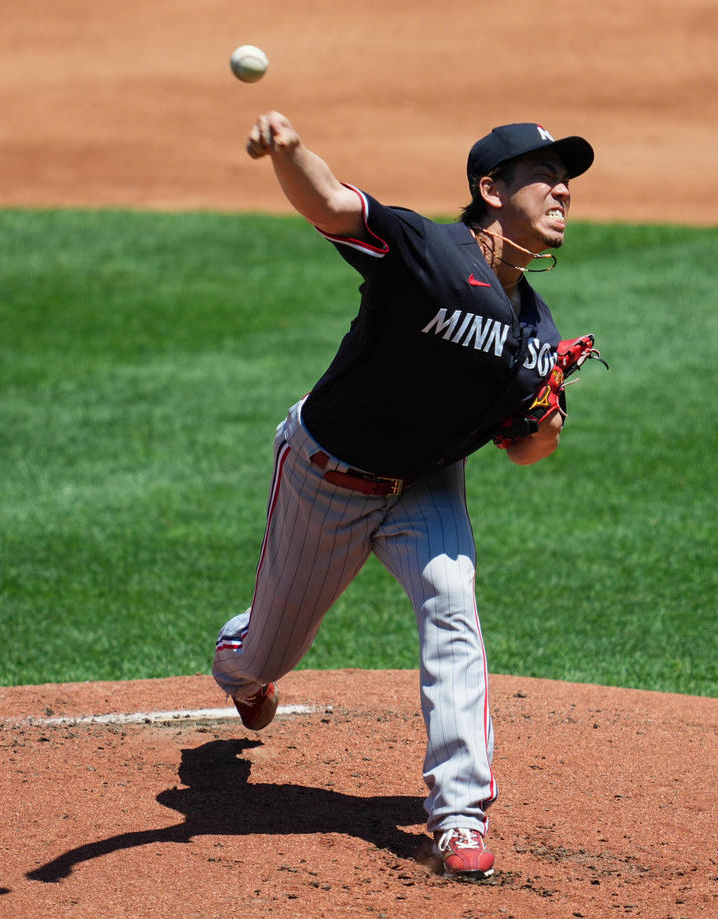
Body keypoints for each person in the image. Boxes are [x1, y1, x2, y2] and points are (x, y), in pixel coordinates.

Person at [211, 111, 594, 880]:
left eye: (569, 179)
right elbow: (332, 206)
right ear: (490, 188)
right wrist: (289, 151)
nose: (562, 190)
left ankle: (459, 816)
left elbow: (524, 450)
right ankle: (239, 665)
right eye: (543, 174)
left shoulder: (535, 328)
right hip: (328, 472)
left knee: (453, 601)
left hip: (425, 484)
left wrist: (547, 416)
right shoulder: (428, 251)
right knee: (266, 653)